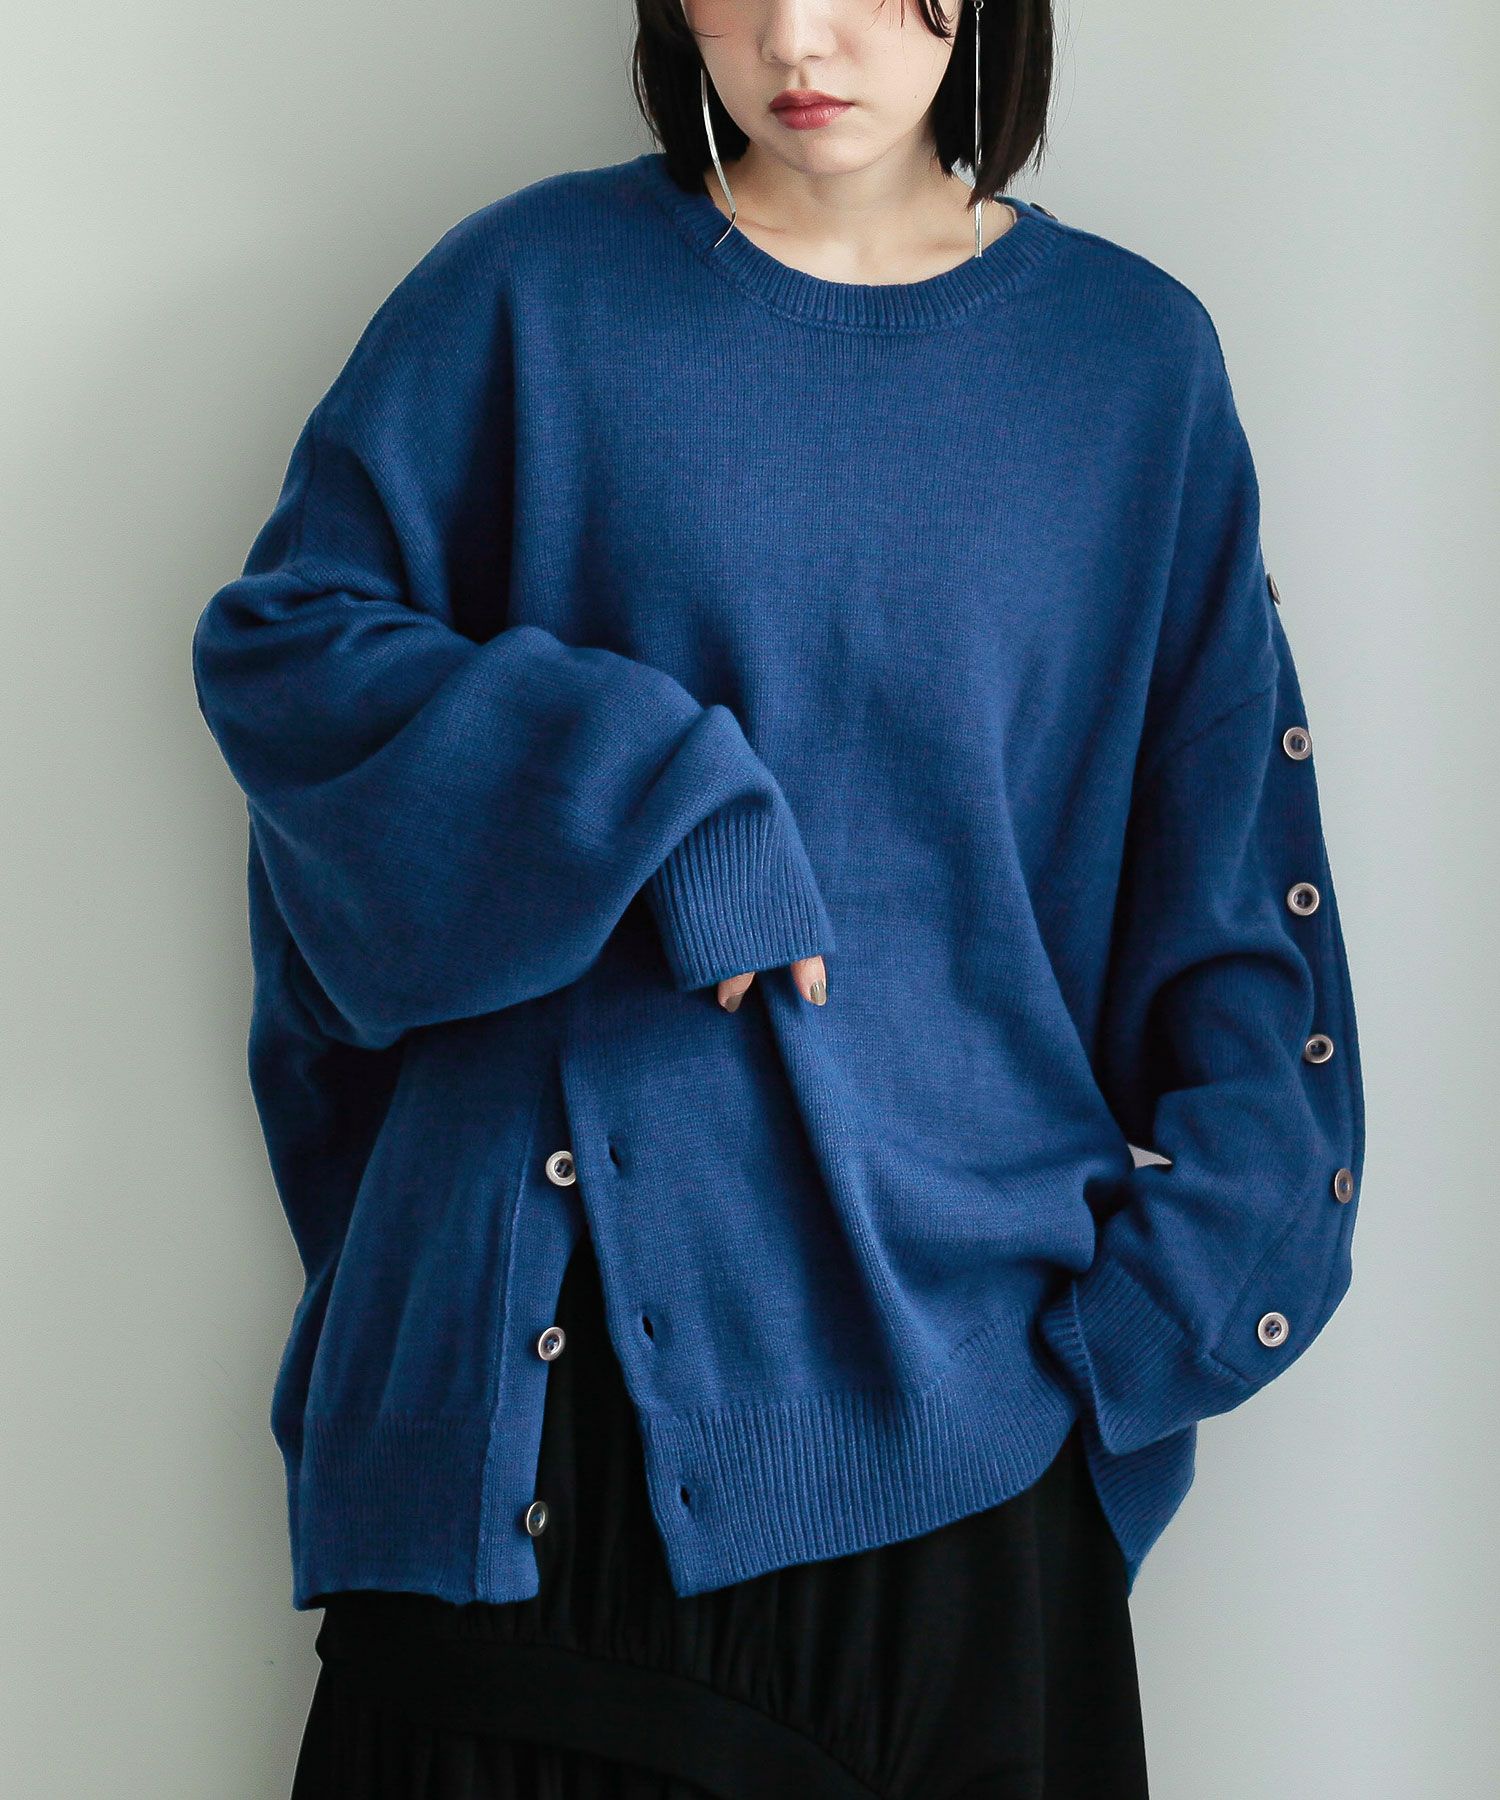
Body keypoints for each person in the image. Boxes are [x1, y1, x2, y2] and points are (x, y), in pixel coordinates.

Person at [190, 1, 1366, 1795]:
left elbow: (1232, 911)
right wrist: (654, 795)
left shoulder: (1130, 369)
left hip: (959, 1434)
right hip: (551, 1423)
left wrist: (1133, 1353)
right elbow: (286, 661)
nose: (798, 35)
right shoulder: (529, 294)